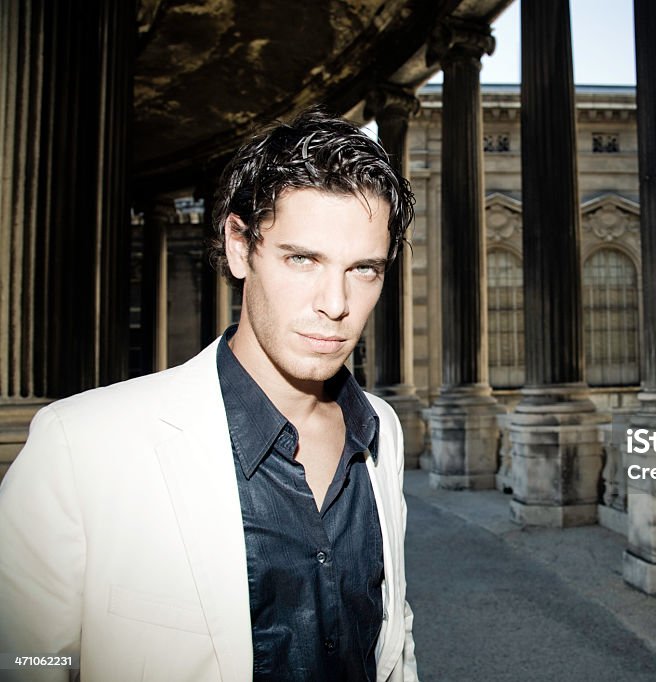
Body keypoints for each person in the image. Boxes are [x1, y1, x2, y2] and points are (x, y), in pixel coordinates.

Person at [0, 108, 418, 681]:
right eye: (302, 259)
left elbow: (392, 638)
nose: (336, 303)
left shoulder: (381, 431)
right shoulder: (81, 445)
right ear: (241, 246)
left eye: (364, 269)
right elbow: (21, 659)